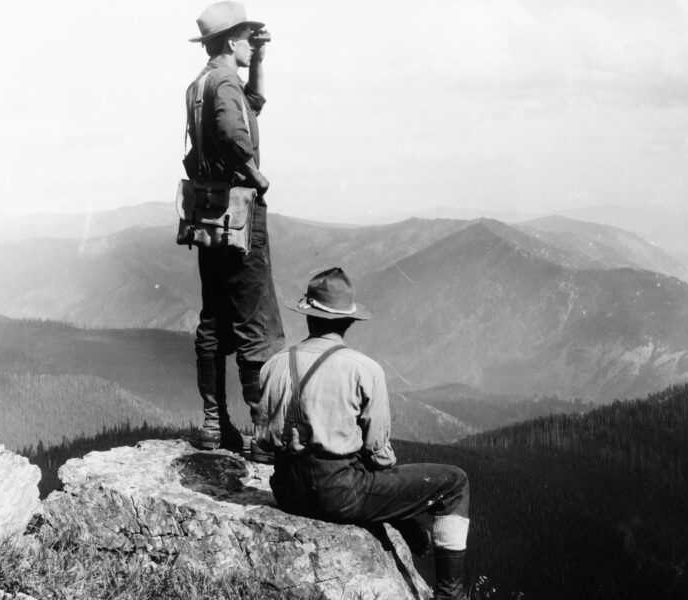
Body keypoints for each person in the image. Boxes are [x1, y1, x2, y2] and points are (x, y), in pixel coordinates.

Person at [256, 267, 471, 600]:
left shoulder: (273, 364)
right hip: (339, 495)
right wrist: (400, 503)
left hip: (287, 491)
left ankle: (405, 523)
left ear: (308, 317)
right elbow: (378, 453)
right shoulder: (364, 369)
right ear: (348, 322)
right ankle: (450, 594)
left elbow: (264, 438)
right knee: (455, 482)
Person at [184, 2, 285, 460]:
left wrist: (260, 60)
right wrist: (256, 175)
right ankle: (264, 432)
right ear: (229, 41)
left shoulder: (200, 84)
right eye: (248, 38)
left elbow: (253, 104)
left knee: (214, 316)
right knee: (253, 318)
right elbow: (232, 131)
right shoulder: (224, 82)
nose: (252, 44)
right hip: (241, 210)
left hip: (209, 215)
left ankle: (212, 422)